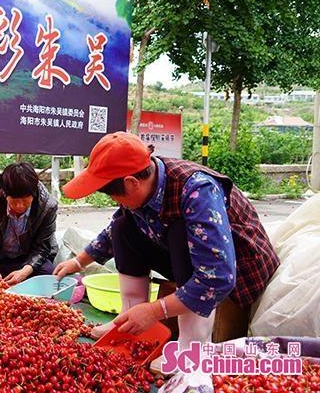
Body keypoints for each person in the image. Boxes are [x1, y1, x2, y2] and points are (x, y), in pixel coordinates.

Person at [54, 132, 279, 348]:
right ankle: (128, 317)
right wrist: (78, 262)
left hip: (236, 270)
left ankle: (192, 343)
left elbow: (217, 277)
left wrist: (155, 311)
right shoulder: (145, 181)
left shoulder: (198, 190)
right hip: (186, 257)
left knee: (180, 231)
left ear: (132, 183)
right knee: (123, 226)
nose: (116, 201)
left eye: (115, 195)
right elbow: (113, 232)